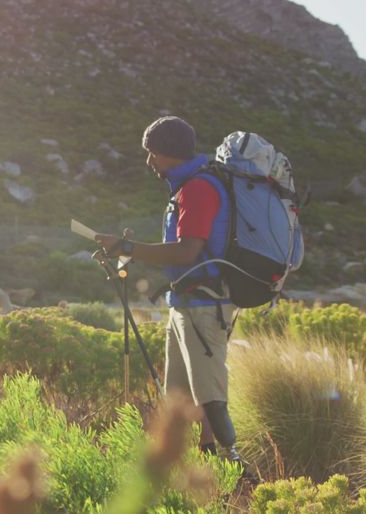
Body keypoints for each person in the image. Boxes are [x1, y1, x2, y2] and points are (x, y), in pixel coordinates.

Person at [94, 116, 247, 470]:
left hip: (205, 307)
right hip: (185, 304)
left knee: (209, 398)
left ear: (170, 153)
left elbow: (185, 251)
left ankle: (230, 469)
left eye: (153, 154)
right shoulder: (186, 187)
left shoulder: (197, 188)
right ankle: (195, 466)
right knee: (180, 397)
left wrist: (127, 248)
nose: (150, 162)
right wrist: (124, 249)